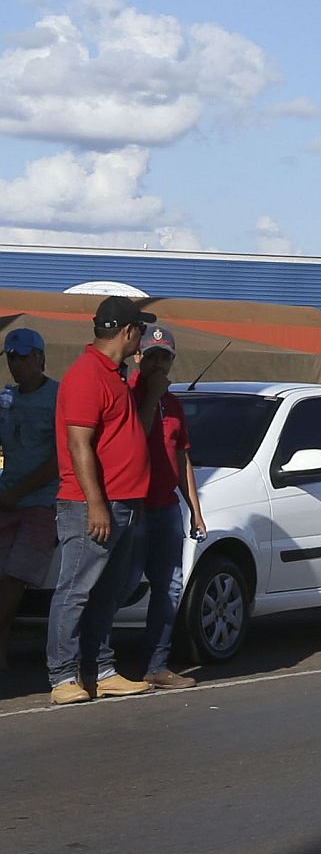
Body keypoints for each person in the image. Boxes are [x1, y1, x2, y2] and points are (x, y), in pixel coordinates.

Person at [47, 296, 164, 704]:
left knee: (106, 592)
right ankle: (62, 677)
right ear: (128, 331)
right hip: (92, 505)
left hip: (126, 502)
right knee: (76, 590)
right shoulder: (86, 375)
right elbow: (79, 444)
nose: (143, 338)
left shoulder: (115, 374)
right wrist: (96, 503)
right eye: (141, 331)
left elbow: (127, 434)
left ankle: (101, 670)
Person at [128, 325, 204, 689]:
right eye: (152, 355)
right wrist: (150, 396)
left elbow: (181, 457)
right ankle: (92, 661)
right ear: (138, 357)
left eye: (165, 356)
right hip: (134, 507)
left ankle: (156, 663)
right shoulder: (129, 395)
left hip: (166, 507)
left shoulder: (174, 405)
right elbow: (132, 440)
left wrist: (195, 509)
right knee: (122, 585)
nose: (159, 363)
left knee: (169, 586)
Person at [0, 329, 60, 673]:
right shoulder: (6, 400)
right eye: (11, 357)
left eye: (23, 357)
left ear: (40, 358)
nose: (16, 364)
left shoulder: (57, 397)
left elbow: (58, 458)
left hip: (41, 501)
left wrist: (18, 492)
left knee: (16, 575)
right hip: (7, 498)